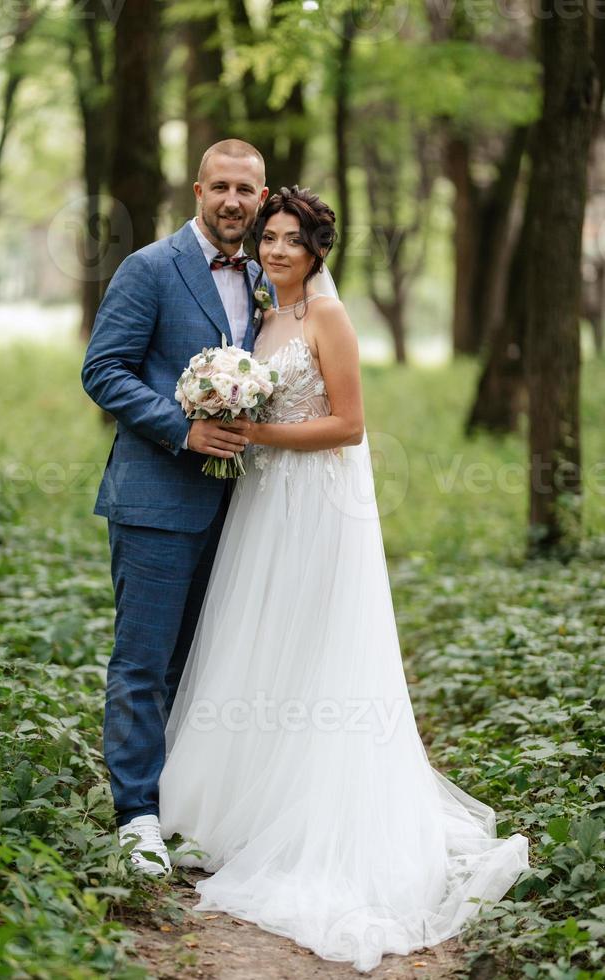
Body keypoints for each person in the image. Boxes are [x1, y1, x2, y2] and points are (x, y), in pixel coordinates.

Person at [157, 186, 529, 972]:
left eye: (294, 239)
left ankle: (316, 818)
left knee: (314, 647)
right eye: (270, 237)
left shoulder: (327, 317)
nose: (279, 249)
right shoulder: (260, 320)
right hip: (261, 504)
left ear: (318, 250)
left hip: (316, 509)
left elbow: (350, 425)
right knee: (260, 645)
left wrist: (252, 430)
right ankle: (243, 812)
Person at [81, 139, 271, 874]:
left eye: (244, 190)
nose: (232, 201)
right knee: (144, 664)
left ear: (261, 197)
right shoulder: (150, 268)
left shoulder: (267, 277)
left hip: (241, 510)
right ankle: (136, 818)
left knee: (207, 664)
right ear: (198, 191)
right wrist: (182, 426)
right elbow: (104, 370)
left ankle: (188, 806)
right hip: (156, 498)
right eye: (219, 186)